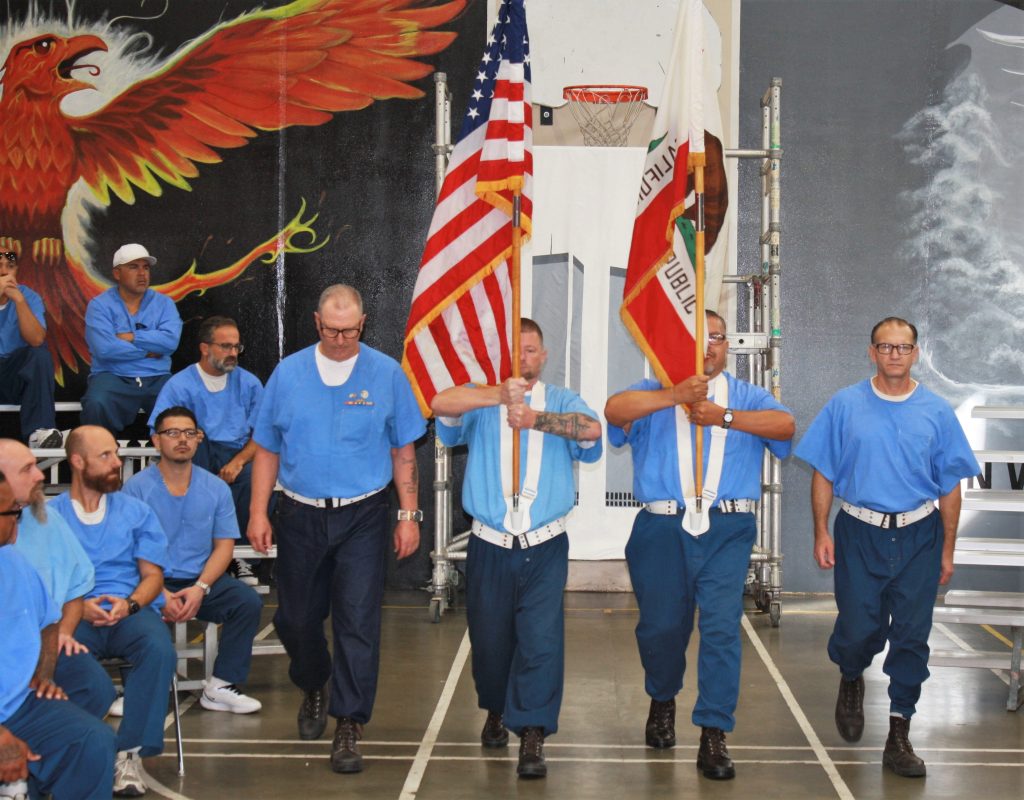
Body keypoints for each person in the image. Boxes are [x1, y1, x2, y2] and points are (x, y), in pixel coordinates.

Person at [605, 310, 795, 781]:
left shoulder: (746, 395)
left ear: (727, 345)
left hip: (726, 530)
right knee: (661, 629)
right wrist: (675, 396)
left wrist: (723, 417)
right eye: (698, 337)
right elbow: (613, 412)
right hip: (661, 530)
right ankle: (662, 696)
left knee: (721, 628)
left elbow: (785, 426)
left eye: (717, 337)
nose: (709, 345)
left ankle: (714, 731)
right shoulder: (652, 391)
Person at [248, 284, 425, 774]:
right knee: (296, 619)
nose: (341, 339)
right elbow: (267, 448)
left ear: (363, 324)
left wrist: (409, 515)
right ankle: (314, 682)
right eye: (332, 330)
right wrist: (259, 512)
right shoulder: (288, 374)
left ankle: (349, 722)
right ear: (316, 322)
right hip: (299, 514)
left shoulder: (386, 374)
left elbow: (403, 451)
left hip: (363, 513)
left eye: (349, 331)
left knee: (357, 620)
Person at [794, 316, 979, 778]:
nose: (895, 354)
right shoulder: (845, 405)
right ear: (872, 352)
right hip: (859, 533)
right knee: (859, 629)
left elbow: (950, 486)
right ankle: (851, 674)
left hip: (919, 536)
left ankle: (899, 732)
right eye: (885, 346)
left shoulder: (936, 412)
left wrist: (947, 549)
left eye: (903, 347)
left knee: (912, 635)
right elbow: (823, 472)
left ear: (916, 353)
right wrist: (821, 531)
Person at [431, 318, 602, 779]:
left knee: (540, 641)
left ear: (543, 355)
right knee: (490, 641)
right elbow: (440, 403)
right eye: (516, 350)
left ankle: (532, 732)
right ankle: (496, 707)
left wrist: (534, 419)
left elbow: (592, 430)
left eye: (531, 350)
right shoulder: (481, 398)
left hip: (544, 546)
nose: (523, 358)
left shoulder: (561, 400)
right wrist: (497, 396)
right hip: (489, 545)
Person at [49, 425, 177, 797]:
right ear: (77, 461)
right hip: (73, 615)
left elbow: (153, 576)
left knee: (159, 649)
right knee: (84, 676)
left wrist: (131, 603)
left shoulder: (137, 512)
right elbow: (40, 581)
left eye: (116, 454)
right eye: (105, 455)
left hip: (129, 611)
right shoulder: (49, 517)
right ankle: (78, 750)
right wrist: (76, 607)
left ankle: (129, 753)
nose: (116, 462)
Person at [124, 406, 262, 715]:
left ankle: (221, 686)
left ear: (199, 439)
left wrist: (200, 588)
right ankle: (139, 690)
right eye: (172, 433)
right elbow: (128, 549)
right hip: (151, 580)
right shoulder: (136, 489)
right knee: (130, 605)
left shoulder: (216, 488)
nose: (182, 439)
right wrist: (158, 593)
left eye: (190, 433)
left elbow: (224, 547)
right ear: (156, 440)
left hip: (200, 581)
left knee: (246, 602)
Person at [0, 469, 116, 800]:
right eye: (11, 513)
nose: (18, 522)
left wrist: (45, 674)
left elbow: (49, 620)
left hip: (17, 705)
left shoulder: (13, 562)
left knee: (93, 741)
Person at [0, 439, 117, 720]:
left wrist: (63, 633)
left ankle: (48, 740)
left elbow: (74, 592)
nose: (40, 475)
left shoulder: (48, 519)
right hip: (8, 651)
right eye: (27, 469)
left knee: (95, 688)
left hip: (45, 641)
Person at [149, 315, 264, 585]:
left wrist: (238, 462)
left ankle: (242, 558)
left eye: (236, 347)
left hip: (237, 452)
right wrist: (187, 435)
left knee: (257, 476)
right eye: (225, 346)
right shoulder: (179, 384)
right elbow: (158, 430)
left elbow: (263, 434)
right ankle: (198, 555)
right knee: (191, 461)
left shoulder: (249, 383)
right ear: (204, 348)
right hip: (197, 453)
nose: (233, 353)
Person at [80, 244, 182, 435]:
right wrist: (148, 351)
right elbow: (105, 349)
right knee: (96, 402)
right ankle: (100, 453)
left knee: (181, 411)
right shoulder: (99, 305)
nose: (142, 273)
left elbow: (170, 342)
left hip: (157, 376)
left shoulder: (164, 303)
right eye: (134, 267)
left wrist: (132, 337)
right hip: (112, 376)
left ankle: (168, 454)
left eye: (146, 267)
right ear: (117, 274)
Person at [0, 249, 61, 448]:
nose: (4, 272)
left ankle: (39, 433)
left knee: (39, 354)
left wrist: (19, 301)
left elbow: (36, 339)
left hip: (12, 377)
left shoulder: (28, 296)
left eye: (10, 267)